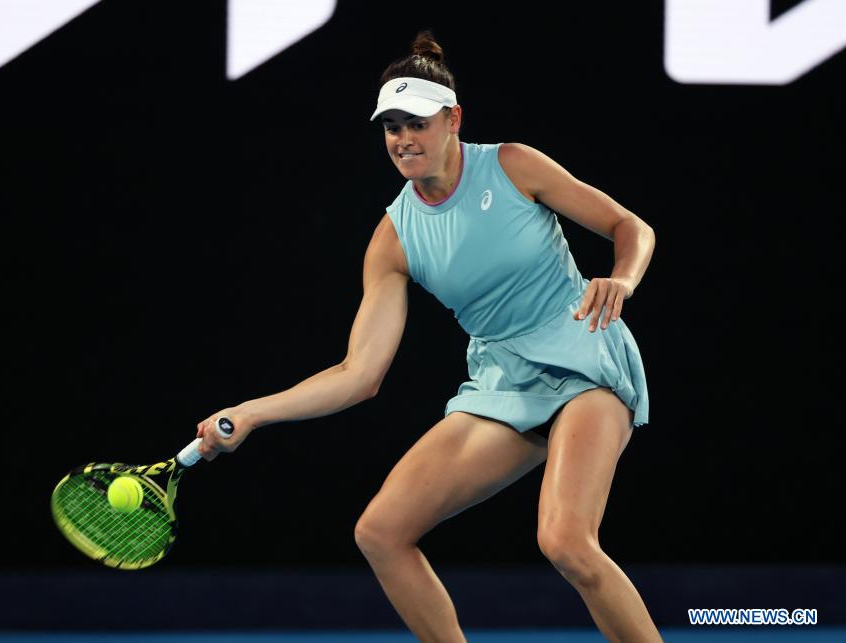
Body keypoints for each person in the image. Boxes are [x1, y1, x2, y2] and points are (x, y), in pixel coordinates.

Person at [196, 30, 661, 643]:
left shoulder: (513, 165)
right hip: (503, 381)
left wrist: (622, 280)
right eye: (391, 126)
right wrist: (250, 413)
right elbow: (358, 375)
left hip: (584, 354)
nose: (403, 139)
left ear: (452, 119)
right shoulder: (393, 239)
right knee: (381, 532)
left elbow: (630, 225)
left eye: (416, 122)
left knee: (566, 541)